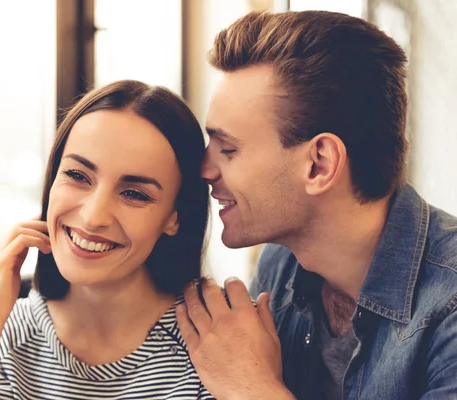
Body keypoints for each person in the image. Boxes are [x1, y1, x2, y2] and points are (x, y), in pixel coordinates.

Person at [176, 10, 457, 400]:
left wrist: (253, 389)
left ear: (319, 164)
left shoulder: (449, 306)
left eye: (228, 149)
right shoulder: (280, 267)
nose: (204, 169)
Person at [0, 80, 215, 399]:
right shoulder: (9, 334)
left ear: (174, 217)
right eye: (77, 176)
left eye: (134, 193)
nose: (93, 217)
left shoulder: (213, 342)